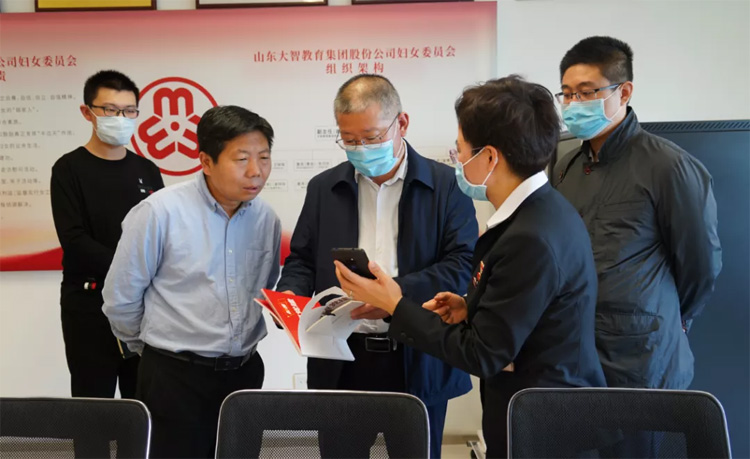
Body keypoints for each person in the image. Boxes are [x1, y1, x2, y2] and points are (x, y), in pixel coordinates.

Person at [334, 75, 607, 459]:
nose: (457, 159)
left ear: (490, 157)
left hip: (546, 425)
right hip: (537, 412)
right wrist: (472, 308)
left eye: (460, 149)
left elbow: (482, 354)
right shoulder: (541, 212)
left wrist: (396, 304)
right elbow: (524, 312)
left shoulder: (530, 236)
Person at [276, 74, 477, 458]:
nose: (361, 149)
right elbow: (302, 258)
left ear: (401, 123)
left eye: (371, 137)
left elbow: (462, 264)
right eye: (349, 140)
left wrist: (392, 296)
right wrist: (289, 295)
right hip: (342, 357)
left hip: (417, 353)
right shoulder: (324, 188)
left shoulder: (447, 184)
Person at [102, 105, 281, 458]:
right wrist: (155, 351)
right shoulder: (160, 212)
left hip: (243, 375)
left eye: (264, 157)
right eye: (241, 159)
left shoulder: (266, 219)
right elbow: (120, 299)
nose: (256, 171)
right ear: (206, 162)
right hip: (175, 378)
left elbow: (265, 284)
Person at [553, 36, 722, 390]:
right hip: (576, 352)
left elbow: (700, 264)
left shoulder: (669, 166)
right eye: (567, 94)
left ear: (624, 92)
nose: (573, 104)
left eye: (586, 92)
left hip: (642, 356)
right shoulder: (566, 167)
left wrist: (670, 316)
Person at [50, 70, 164, 399]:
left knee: (142, 398)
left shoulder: (147, 170)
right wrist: (131, 268)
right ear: (88, 112)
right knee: (92, 402)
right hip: (89, 304)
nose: (121, 119)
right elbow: (74, 240)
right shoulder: (68, 169)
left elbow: (161, 233)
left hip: (142, 305)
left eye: (129, 111)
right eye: (111, 110)